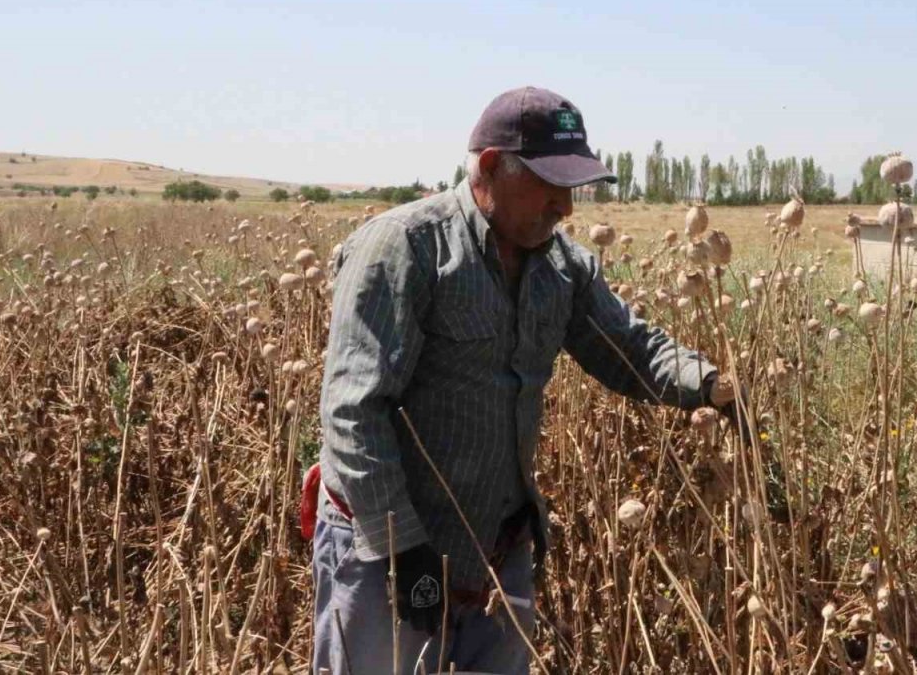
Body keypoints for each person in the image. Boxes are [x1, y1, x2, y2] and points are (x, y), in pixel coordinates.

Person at [308, 86, 739, 674]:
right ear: (489, 167)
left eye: (574, 187)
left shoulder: (564, 266)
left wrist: (709, 384)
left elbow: (628, 347)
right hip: (385, 549)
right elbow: (354, 412)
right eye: (551, 184)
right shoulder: (406, 247)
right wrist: (400, 547)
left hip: (497, 549)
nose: (566, 206)